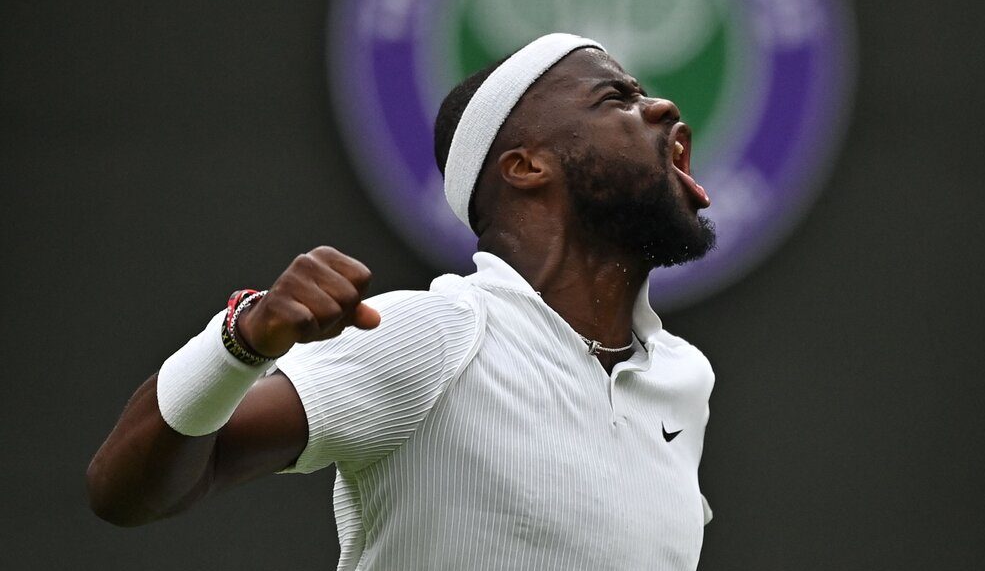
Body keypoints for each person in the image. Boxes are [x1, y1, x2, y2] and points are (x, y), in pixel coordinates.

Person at [87, 33, 718, 570]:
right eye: (618, 99)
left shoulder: (683, 377)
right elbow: (125, 489)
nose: (662, 107)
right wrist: (240, 341)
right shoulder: (438, 334)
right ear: (526, 167)